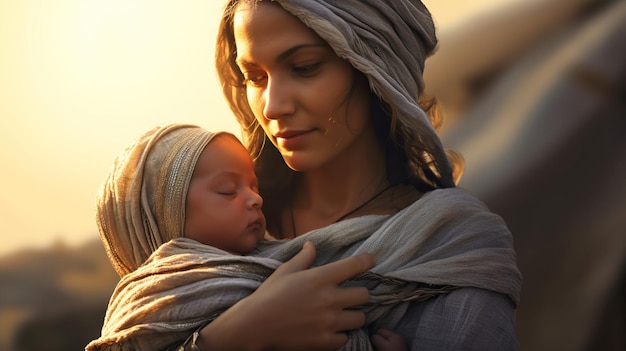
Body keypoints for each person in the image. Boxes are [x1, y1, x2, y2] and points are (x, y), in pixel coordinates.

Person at [178, 0, 522, 350]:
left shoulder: (453, 245)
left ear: (375, 69)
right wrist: (232, 336)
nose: (272, 106)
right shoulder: (210, 218)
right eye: (254, 77)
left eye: (304, 67)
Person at [86, 123, 405, 351]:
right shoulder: (149, 303)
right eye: (228, 190)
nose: (255, 199)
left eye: (253, 186)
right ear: (163, 218)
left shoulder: (284, 260)